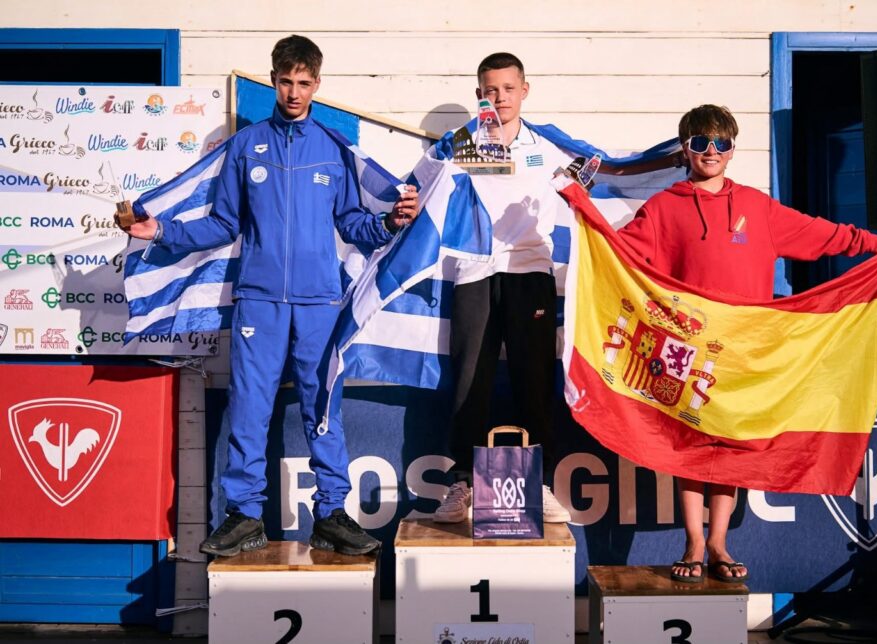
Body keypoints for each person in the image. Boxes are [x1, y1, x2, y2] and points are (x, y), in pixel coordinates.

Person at [119, 35, 419, 556]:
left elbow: (353, 225)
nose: (295, 92)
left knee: (322, 409)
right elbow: (221, 223)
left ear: (318, 84)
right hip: (258, 299)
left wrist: (390, 223)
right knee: (250, 408)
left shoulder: (334, 149)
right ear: (274, 80)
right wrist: (161, 231)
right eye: (286, 82)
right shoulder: (245, 144)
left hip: (321, 302)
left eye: (305, 83)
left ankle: (331, 514)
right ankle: (243, 515)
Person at [616, 104, 877, 583]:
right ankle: (694, 541)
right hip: (689, 348)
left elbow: (822, 234)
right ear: (685, 147)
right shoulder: (663, 207)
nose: (711, 152)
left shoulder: (756, 205)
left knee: (732, 443)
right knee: (689, 446)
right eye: (701, 142)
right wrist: (581, 216)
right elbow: (619, 251)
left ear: (732, 149)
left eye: (721, 143)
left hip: (746, 347)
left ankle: (720, 541)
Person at [432, 52, 573, 524]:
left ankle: (543, 481)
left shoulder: (546, 147)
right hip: (474, 269)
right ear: (479, 94)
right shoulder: (461, 144)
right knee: (470, 379)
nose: (500, 98)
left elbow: (591, 187)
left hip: (530, 271)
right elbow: (422, 188)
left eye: (508, 89)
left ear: (524, 90)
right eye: (490, 90)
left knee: (534, 378)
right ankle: (462, 483)